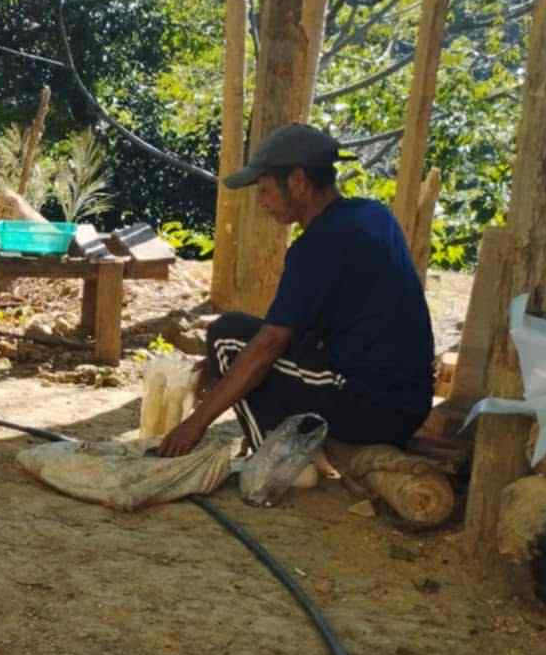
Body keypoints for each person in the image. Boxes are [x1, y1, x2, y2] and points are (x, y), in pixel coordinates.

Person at [159, 122, 435, 459]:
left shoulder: (318, 245)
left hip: (370, 408)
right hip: (408, 405)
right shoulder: (374, 215)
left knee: (226, 336)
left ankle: (272, 463)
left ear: (299, 181)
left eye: (265, 190)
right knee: (245, 348)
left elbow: (270, 344)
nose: (262, 202)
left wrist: (195, 424)